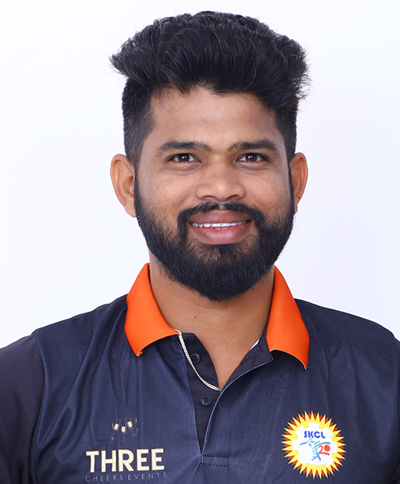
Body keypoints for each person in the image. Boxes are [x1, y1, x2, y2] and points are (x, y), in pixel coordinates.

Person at [0, 11, 399, 483]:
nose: (221, 187)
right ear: (128, 185)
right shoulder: (29, 384)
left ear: (295, 181)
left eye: (251, 157)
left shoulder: (384, 377)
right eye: (185, 157)